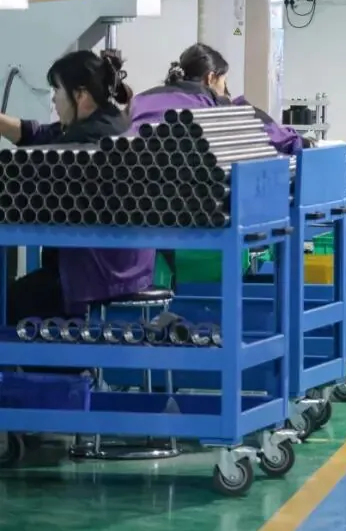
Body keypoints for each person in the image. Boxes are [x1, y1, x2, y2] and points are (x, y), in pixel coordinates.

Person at [0, 50, 156, 325]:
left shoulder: (90, 140)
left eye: (57, 90)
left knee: (8, 304)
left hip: (94, 275)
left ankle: (57, 368)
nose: (54, 100)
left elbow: (47, 153)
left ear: (80, 95)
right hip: (128, 269)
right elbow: (39, 134)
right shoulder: (112, 121)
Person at [129, 42, 307, 155]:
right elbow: (272, 136)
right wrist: (302, 142)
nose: (224, 88)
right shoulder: (209, 109)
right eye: (224, 81)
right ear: (210, 78)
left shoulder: (140, 99)